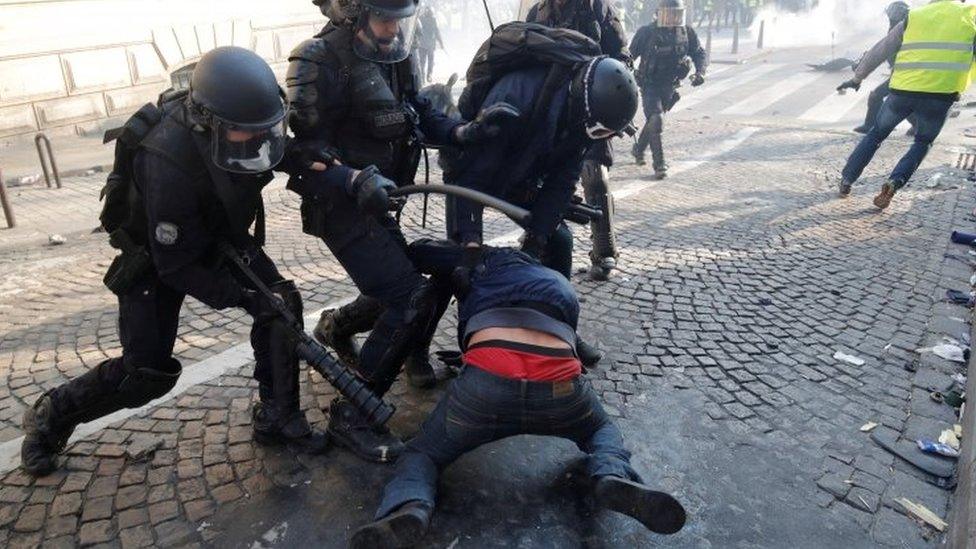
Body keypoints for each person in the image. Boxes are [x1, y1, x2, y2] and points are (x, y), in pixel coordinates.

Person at [19, 47, 338, 476]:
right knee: (146, 373)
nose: (257, 139)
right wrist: (242, 296)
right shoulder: (166, 160)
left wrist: (302, 156)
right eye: (245, 132)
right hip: (155, 258)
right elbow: (178, 267)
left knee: (281, 303)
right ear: (209, 124)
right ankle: (51, 416)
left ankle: (278, 416)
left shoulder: (240, 126)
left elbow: (269, 147)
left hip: (217, 233)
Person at [287, 0, 515, 462]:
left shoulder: (396, 54)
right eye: (384, 18)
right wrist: (350, 178)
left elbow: (418, 112)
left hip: (382, 201)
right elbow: (296, 152)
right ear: (354, 13)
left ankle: (335, 327)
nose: (393, 29)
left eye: (399, 19)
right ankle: (353, 411)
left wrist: (463, 132)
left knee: (403, 282)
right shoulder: (318, 60)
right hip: (340, 206)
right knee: (408, 295)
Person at [350, 241, 688, 548]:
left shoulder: (484, 259)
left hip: (485, 382)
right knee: (601, 430)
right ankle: (611, 473)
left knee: (422, 453)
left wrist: (463, 253)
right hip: (559, 384)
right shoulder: (558, 283)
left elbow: (419, 251)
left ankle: (410, 506)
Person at [444, 53, 638, 368]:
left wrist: (537, 240)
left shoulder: (582, 117)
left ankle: (560, 332)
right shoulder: (517, 97)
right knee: (463, 264)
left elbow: (562, 181)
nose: (601, 139)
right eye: (603, 132)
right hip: (470, 174)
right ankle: (466, 352)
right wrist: (469, 239)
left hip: (519, 176)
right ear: (589, 107)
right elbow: (472, 174)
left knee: (558, 240)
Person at [526, 0, 631, 280]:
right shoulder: (537, 12)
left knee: (595, 174)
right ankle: (540, 242)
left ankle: (604, 249)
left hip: (591, 106)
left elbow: (620, 58)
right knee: (540, 180)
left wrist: (612, 99)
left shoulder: (599, 10)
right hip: (550, 109)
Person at [837, 0, 976, 209]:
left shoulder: (915, 16)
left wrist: (857, 78)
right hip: (940, 96)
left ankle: (847, 180)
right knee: (922, 143)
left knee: (876, 134)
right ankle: (894, 182)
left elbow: (881, 49)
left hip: (903, 91)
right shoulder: (970, 16)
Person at [630, 0, 707, 180]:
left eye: (676, 14)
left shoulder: (686, 32)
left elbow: (699, 52)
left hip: (670, 86)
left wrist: (700, 72)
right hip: (650, 84)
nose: (673, 18)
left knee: (655, 120)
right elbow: (628, 56)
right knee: (656, 119)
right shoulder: (646, 33)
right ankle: (659, 165)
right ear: (659, 13)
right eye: (669, 13)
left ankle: (638, 149)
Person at [852, 1, 916, 135]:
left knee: (883, 97)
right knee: (898, 100)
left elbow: (884, 52)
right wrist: (865, 59)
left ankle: (871, 125)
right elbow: (884, 50)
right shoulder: (904, 28)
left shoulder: (902, 29)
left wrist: (864, 65)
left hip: (904, 75)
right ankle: (916, 126)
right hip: (903, 74)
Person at [416, 4, 444, 83]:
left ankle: (425, 77)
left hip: (425, 44)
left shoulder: (423, 19)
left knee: (424, 61)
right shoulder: (431, 19)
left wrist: (441, 42)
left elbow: (436, 31)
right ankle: (427, 76)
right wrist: (441, 43)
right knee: (427, 61)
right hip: (427, 44)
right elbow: (437, 32)